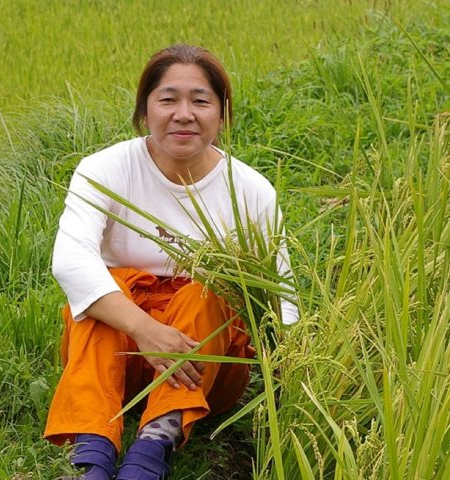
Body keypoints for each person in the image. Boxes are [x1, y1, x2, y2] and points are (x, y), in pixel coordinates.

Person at [44, 43, 299, 480]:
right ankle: (93, 452)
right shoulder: (104, 170)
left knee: (210, 290)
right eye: (168, 99)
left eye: (200, 101)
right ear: (145, 111)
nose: (184, 114)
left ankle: (154, 446)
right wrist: (144, 328)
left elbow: (282, 300)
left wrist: (291, 386)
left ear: (221, 115)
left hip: (204, 366)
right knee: (100, 293)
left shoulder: (252, 192)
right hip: (117, 359)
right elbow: (70, 260)